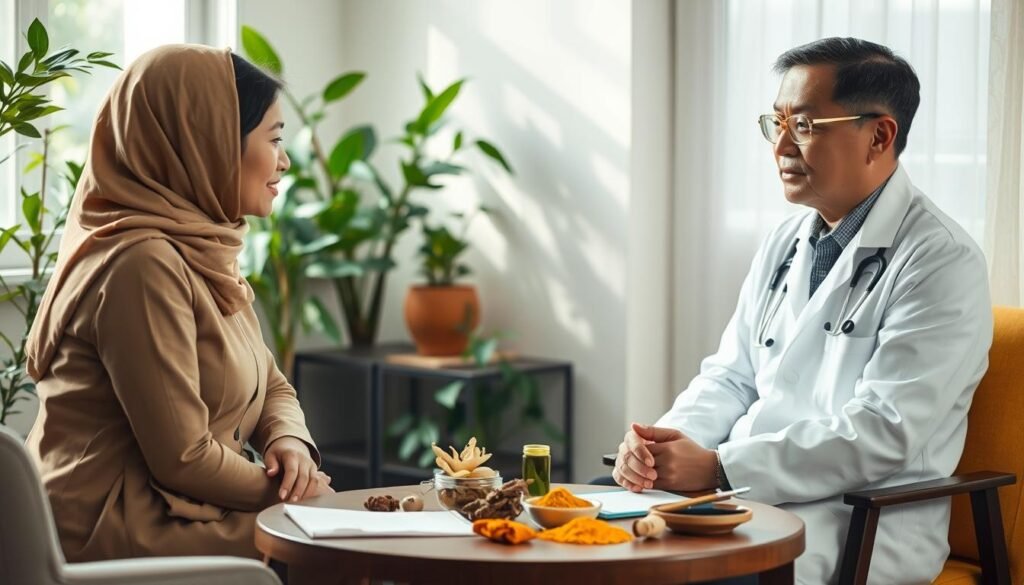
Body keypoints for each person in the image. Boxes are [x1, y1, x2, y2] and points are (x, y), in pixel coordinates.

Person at [612, 38, 992, 585]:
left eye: (806, 126)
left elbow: (885, 429)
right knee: (582, 547)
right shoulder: (786, 240)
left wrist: (720, 468)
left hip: (855, 519)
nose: (782, 146)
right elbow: (731, 376)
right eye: (777, 123)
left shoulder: (940, 261)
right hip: (742, 499)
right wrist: (662, 446)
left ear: (879, 136)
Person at [24, 44, 331, 561]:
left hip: (184, 505)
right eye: (273, 140)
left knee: (338, 533)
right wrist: (297, 497)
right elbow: (184, 458)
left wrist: (291, 445)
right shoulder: (141, 264)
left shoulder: (201, 247)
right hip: (113, 521)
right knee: (329, 541)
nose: (283, 161)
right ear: (206, 142)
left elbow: (271, 382)